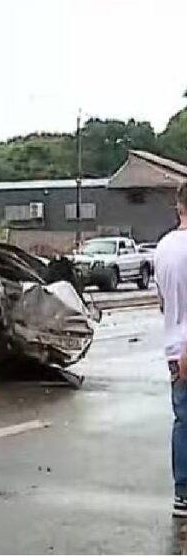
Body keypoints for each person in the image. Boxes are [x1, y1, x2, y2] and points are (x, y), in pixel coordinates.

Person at [157, 182, 187, 517]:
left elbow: (162, 302)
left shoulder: (163, 247)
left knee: (184, 420)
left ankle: (183, 494)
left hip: (173, 347)